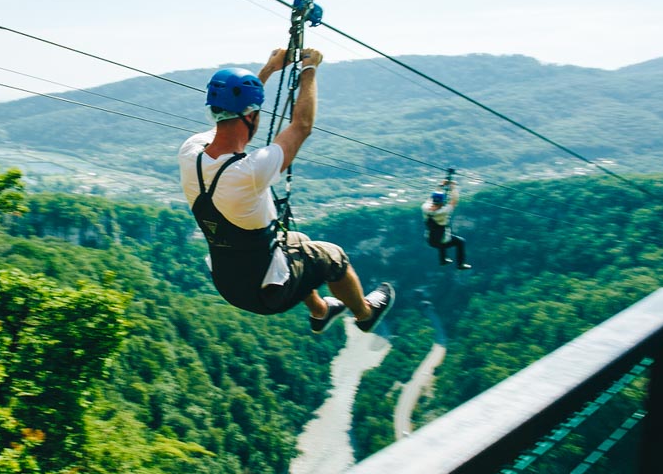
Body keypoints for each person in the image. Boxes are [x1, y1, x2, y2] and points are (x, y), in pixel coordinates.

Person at [178, 47, 394, 334]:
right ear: (252, 116)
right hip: (266, 295)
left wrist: (268, 69)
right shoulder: (249, 173)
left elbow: (235, 109)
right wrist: (309, 69)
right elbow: (301, 125)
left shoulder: (190, 152)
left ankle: (321, 311)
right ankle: (365, 315)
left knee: (298, 240)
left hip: (229, 283)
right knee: (332, 256)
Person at [423, 174, 471, 270]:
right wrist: (453, 187)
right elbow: (454, 201)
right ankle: (460, 264)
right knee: (460, 241)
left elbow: (431, 198)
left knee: (438, 234)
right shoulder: (443, 212)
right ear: (442, 203)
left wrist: (441, 185)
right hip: (442, 241)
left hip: (430, 240)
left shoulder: (424, 208)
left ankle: (443, 259)